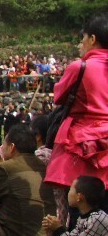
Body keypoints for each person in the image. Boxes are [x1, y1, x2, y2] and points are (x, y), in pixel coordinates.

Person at [46, 16, 108, 205]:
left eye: (84, 38)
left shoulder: (80, 67)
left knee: (80, 204)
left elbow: (59, 96)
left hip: (82, 141)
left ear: (92, 39)